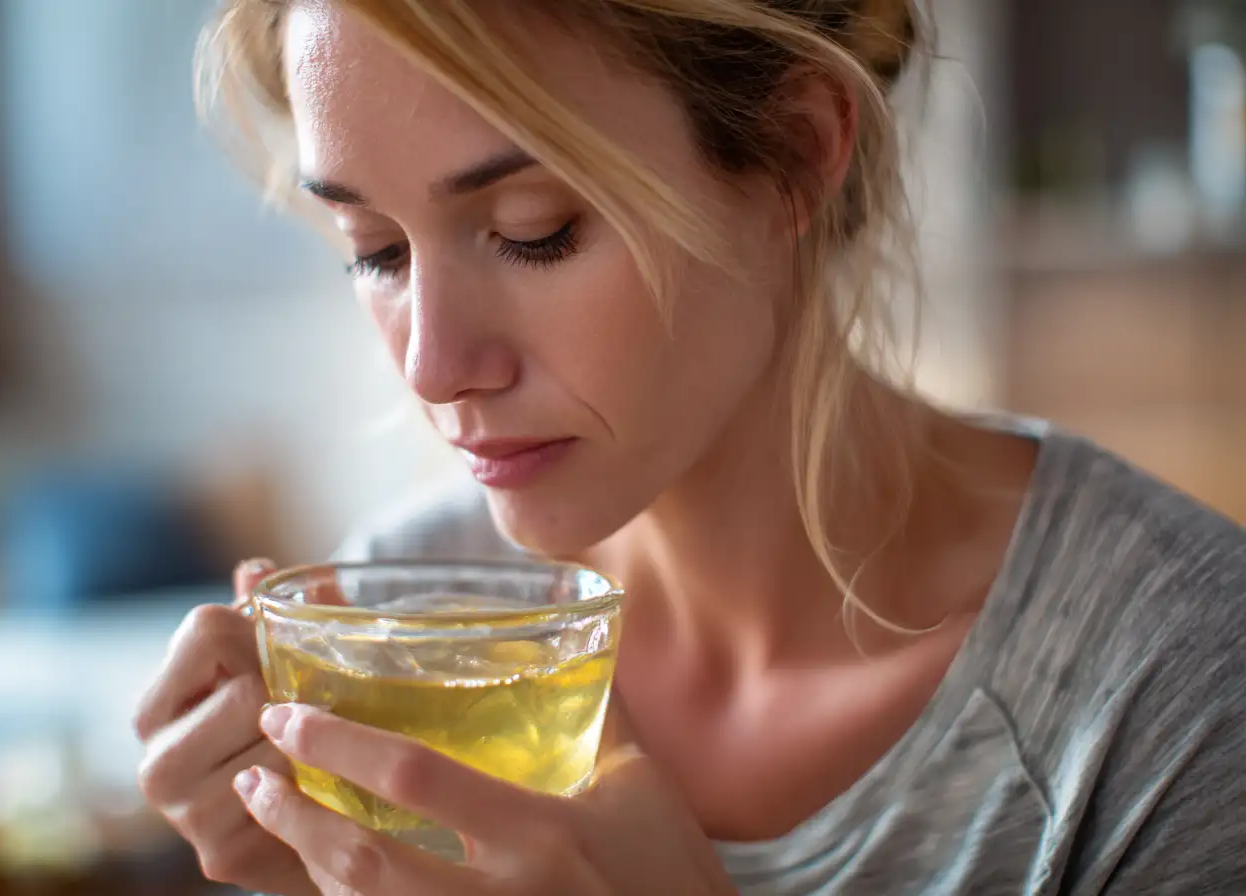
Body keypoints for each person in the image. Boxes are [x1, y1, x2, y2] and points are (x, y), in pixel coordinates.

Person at [133, 1, 1246, 893]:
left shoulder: (1177, 683)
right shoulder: (393, 636)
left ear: (797, 154)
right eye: (374, 248)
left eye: (534, 231)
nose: (432, 368)